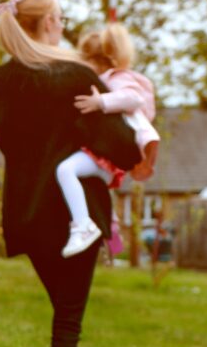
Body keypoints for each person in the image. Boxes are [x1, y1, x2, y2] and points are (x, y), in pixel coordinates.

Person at [0, 0, 139, 347]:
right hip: (77, 219)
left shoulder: (0, 81)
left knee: (62, 316)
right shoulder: (76, 76)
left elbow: (9, 143)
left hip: (27, 216)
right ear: (50, 22)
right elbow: (126, 150)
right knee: (67, 325)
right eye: (61, 16)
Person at [58, 24, 163, 257]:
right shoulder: (106, 80)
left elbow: (134, 99)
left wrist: (101, 102)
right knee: (98, 188)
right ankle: (111, 230)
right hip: (107, 155)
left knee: (65, 171)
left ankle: (83, 225)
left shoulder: (115, 80)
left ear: (95, 62)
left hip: (108, 154)